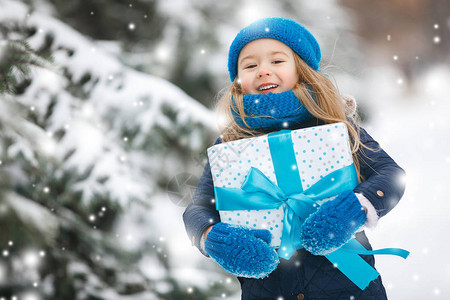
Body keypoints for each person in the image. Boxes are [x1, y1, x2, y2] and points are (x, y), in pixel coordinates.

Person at [183, 17, 406, 300]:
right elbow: (197, 209)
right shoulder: (231, 144)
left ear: (301, 70)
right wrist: (211, 237)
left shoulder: (335, 126)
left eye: (277, 61)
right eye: (250, 65)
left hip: (350, 288)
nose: (263, 70)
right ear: (239, 82)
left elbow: (391, 175)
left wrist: (354, 209)